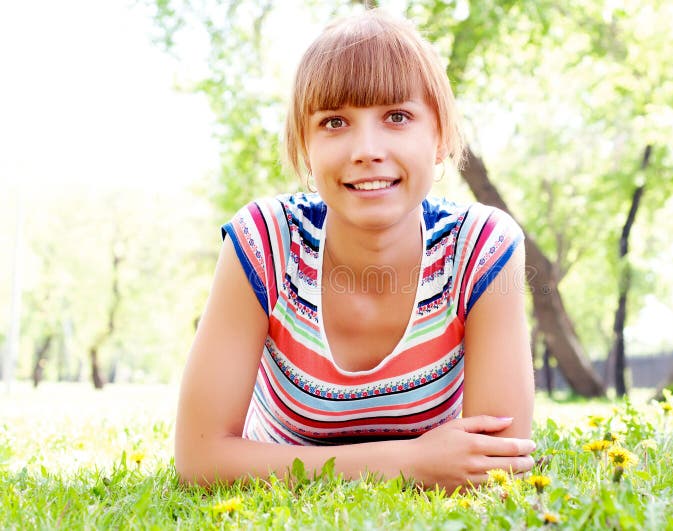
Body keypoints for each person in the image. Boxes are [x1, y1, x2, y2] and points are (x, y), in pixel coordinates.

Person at [175, 8, 535, 493]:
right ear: (304, 145)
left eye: (398, 117)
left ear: (441, 136)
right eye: (335, 122)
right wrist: (407, 463)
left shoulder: (482, 247)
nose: (366, 148)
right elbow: (200, 458)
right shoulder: (264, 242)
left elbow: (495, 462)